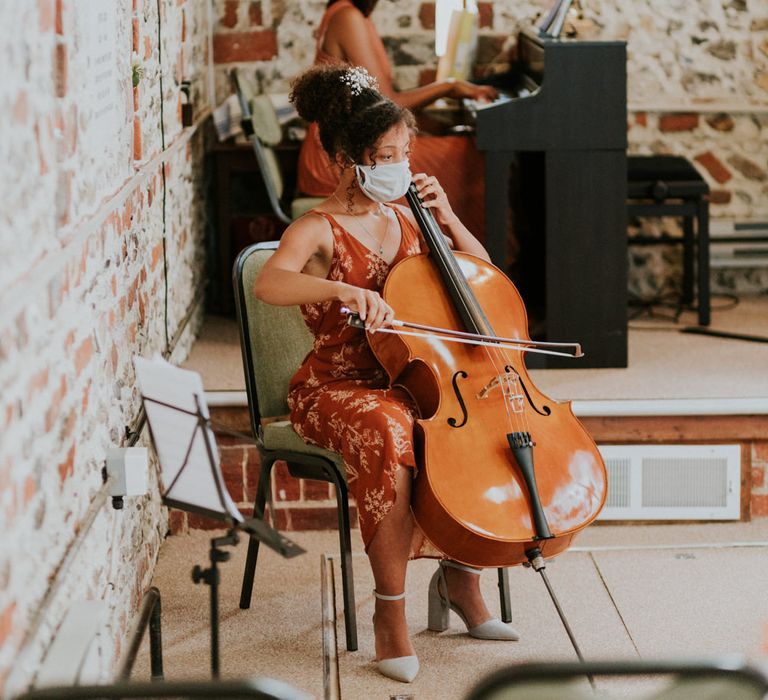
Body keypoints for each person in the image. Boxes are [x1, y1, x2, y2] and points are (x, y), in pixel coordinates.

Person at [254, 64, 518, 685]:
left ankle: (461, 579)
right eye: (384, 155)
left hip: (414, 378)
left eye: (404, 153)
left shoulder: (408, 218)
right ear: (346, 158)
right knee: (392, 427)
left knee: (455, 427)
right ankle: (390, 614)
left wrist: (448, 218)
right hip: (334, 388)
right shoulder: (316, 227)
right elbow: (270, 280)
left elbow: (481, 279)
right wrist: (341, 286)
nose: (398, 166)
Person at [296, 0, 497, 242]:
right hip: (339, 153)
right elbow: (388, 100)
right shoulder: (347, 16)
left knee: (455, 145)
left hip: (367, 138)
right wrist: (449, 86)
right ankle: (490, 251)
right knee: (472, 154)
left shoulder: (355, 15)